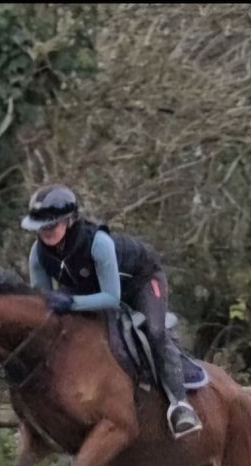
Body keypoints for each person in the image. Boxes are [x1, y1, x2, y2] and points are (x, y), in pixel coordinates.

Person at [21, 183, 202, 439]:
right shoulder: (38, 255)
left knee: (155, 330)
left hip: (141, 282)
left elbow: (111, 298)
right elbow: (44, 302)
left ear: (70, 220)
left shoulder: (98, 243)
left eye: (51, 226)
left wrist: (70, 303)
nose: (45, 233)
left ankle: (180, 405)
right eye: (40, 228)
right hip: (92, 290)